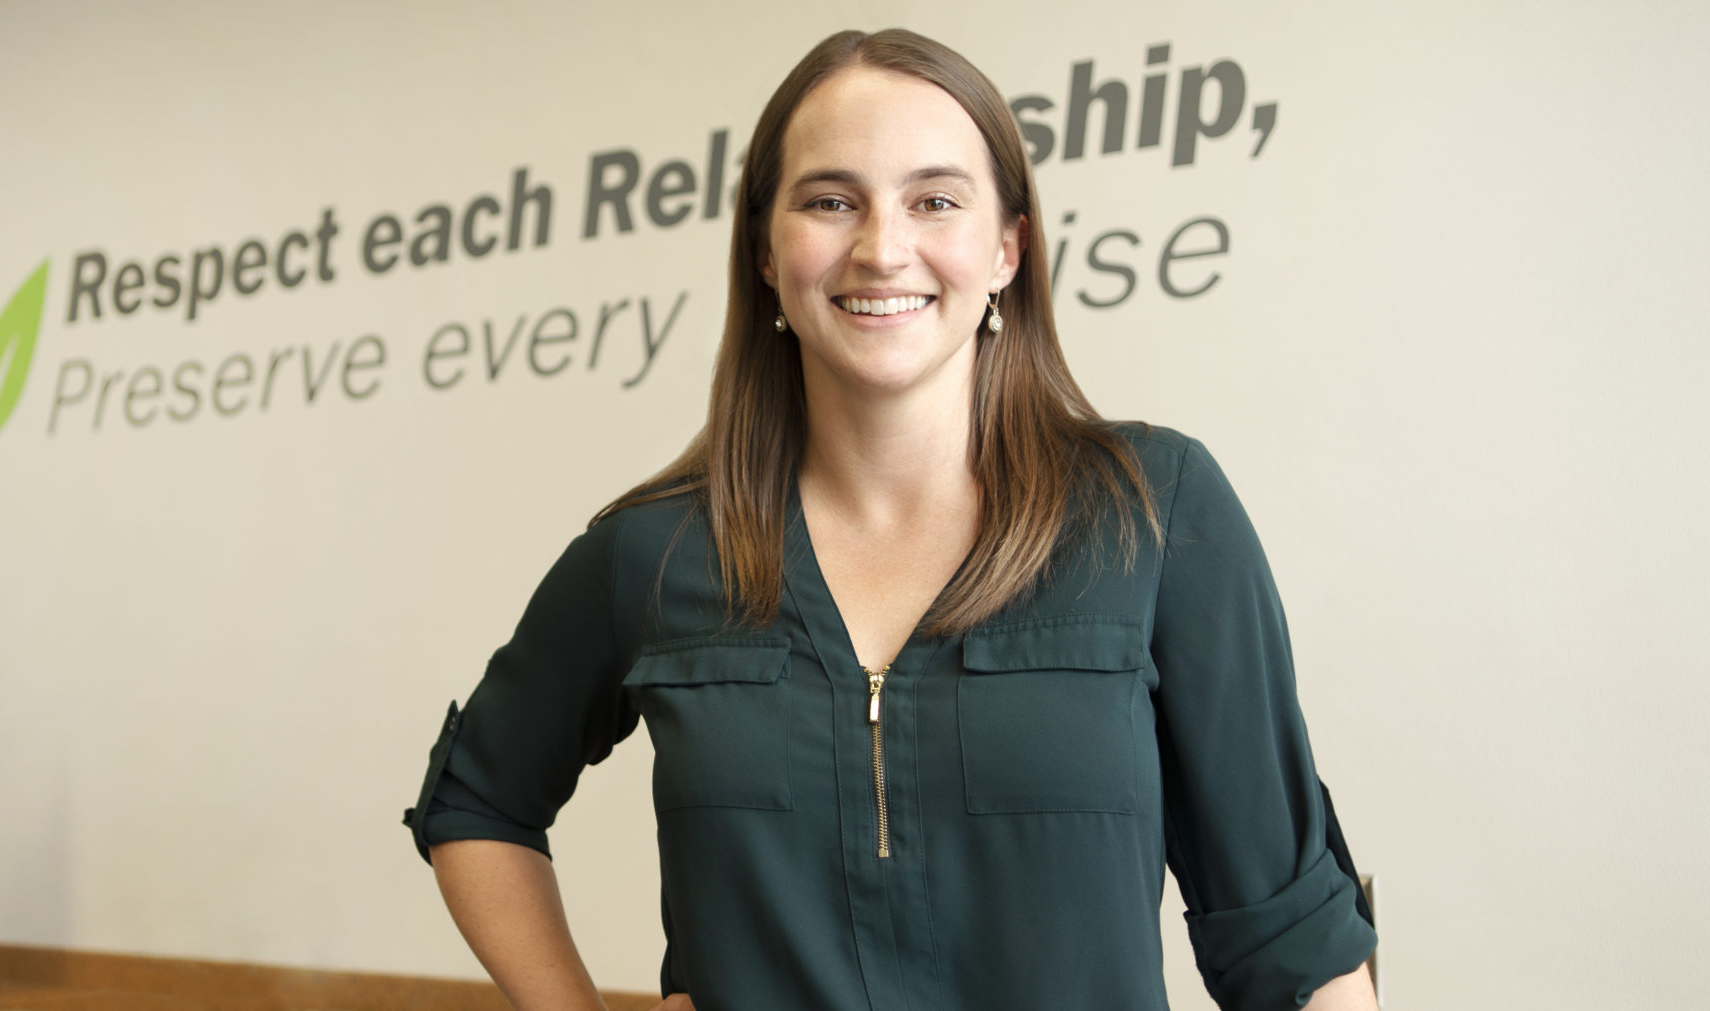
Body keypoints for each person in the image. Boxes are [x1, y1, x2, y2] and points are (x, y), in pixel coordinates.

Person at [403, 27, 1378, 1011]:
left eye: (934, 200)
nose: (880, 248)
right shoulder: (653, 554)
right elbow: (477, 801)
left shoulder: (1152, 513)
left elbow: (1292, 939)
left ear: (1006, 247)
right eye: (830, 201)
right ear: (765, 249)